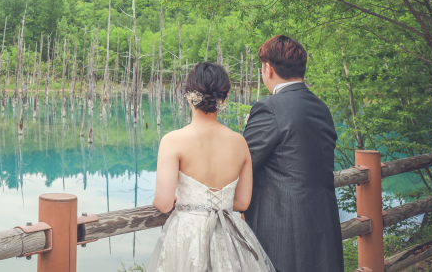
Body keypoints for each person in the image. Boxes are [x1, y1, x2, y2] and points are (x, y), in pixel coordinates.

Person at [146, 62, 275, 272]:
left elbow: (163, 203)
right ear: (223, 100)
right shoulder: (239, 142)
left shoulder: (173, 141)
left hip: (188, 236)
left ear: (189, 96)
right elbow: (242, 203)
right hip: (229, 237)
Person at [243, 35, 344, 272]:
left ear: (268, 69)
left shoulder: (270, 108)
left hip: (282, 227)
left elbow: (243, 162)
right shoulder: (320, 106)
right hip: (324, 221)